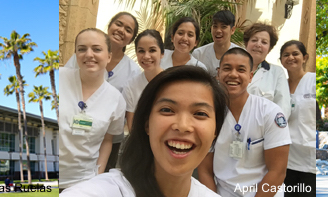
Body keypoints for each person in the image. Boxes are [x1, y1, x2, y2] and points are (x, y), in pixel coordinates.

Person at [62, 66, 228, 197]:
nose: (183, 126)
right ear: (147, 123)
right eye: (167, 110)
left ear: (215, 131)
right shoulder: (101, 192)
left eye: (200, 113)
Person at [199, 48, 291, 197]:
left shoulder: (270, 113)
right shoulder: (208, 114)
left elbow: (277, 171)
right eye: (227, 68)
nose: (233, 74)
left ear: (250, 77)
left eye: (241, 70)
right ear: (218, 73)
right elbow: (205, 171)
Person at [58, 28, 127, 191]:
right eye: (82, 49)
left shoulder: (116, 99)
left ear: (109, 56)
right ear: (75, 54)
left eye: (97, 49)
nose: (89, 54)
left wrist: (97, 176)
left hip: (81, 183)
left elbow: (107, 140)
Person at [279, 40, 316, 196]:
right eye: (286, 55)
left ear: (305, 58)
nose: (291, 58)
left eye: (295, 54)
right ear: (281, 60)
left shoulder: (313, 81)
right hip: (285, 160)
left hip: (309, 159)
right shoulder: (279, 86)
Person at [243, 23, 292, 120]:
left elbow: (283, 106)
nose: (258, 45)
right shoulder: (232, 68)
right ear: (246, 44)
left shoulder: (277, 72)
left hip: (263, 130)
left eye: (264, 42)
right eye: (254, 40)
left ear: (269, 49)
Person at [122, 29, 165, 131]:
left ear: (162, 53)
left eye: (152, 50)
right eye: (141, 51)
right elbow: (132, 127)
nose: (146, 56)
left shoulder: (172, 83)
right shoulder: (131, 85)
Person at [192, 10, 242, 77]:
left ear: (232, 30)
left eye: (223, 27)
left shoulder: (241, 55)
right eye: (215, 26)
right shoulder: (199, 54)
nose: (218, 30)